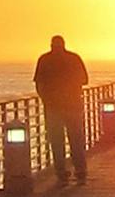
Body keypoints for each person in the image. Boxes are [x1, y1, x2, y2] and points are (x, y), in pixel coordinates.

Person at [33, 32, 90, 187]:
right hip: (73, 106)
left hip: (53, 108)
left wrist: (46, 99)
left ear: (51, 45)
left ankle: (61, 174)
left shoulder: (44, 60)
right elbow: (85, 80)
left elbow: (39, 84)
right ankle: (80, 172)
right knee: (77, 140)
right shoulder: (74, 58)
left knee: (57, 142)